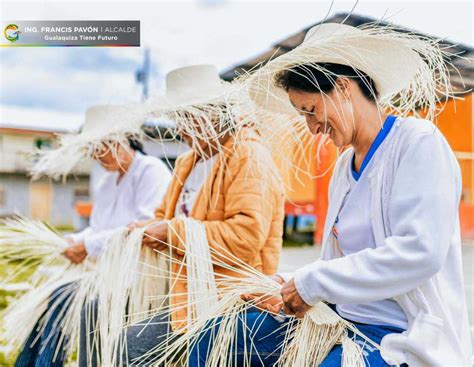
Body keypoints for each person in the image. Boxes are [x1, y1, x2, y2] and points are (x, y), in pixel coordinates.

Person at [190, 23, 473, 366]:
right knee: (215, 336)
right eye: (302, 115)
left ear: (342, 88)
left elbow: (421, 252)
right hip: (338, 321)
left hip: (396, 331)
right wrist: (287, 282)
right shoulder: (344, 168)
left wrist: (312, 282)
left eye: (311, 110)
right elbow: (334, 265)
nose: (312, 127)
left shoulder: (417, 143)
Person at [118, 64, 286, 366]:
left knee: (134, 344)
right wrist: (145, 229)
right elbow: (163, 216)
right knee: (122, 331)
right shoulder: (188, 162)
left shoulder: (249, 156)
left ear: (210, 114)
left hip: (230, 301)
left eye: (186, 121)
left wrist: (172, 233)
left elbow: (245, 238)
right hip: (186, 298)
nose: (180, 131)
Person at [15, 105, 172, 367]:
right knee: (52, 296)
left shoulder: (151, 171)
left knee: (64, 296)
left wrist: (87, 245)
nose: (99, 156)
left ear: (124, 139)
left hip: (136, 276)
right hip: (104, 271)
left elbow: (142, 229)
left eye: (103, 147)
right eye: (93, 150)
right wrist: (75, 241)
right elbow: (98, 228)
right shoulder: (107, 182)